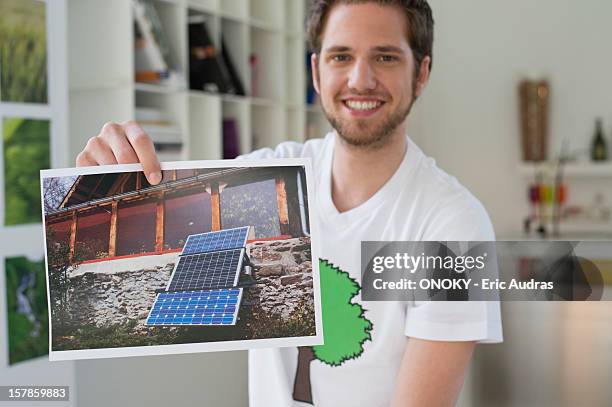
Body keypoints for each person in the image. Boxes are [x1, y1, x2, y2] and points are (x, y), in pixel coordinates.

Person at [77, 1, 502, 406]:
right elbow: (159, 212)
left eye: (386, 57)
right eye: (341, 56)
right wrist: (111, 170)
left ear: (421, 73)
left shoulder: (454, 228)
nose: (360, 79)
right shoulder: (262, 178)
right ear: (316, 72)